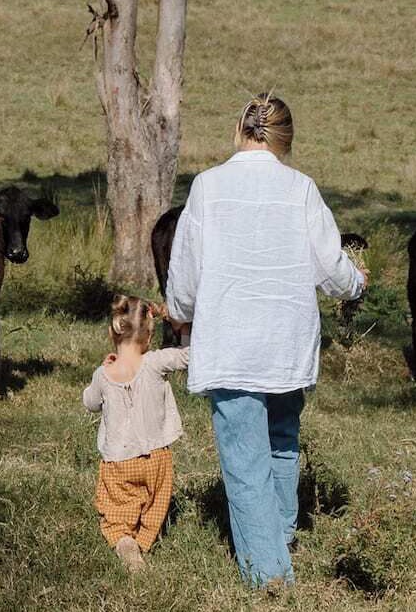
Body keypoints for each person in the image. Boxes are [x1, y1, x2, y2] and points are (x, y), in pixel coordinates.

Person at [165, 92, 367, 586]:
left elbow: (186, 272)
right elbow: (331, 266)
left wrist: (180, 313)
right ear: (286, 140)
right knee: (281, 442)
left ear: (240, 131)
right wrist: (356, 283)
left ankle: (271, 577)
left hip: (231, 342)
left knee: (244, 459)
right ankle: (280, 538)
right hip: (286, 343)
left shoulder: (208, 187)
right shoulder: (301, 188)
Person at [82, 295, 190, 572]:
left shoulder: (103, 373)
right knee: (154, 504)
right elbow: (189, 356)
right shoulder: (155, 362)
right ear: (149, 336)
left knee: (118, 507)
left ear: (113, 332)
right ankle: (143, 539)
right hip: (156, 456)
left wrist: (101, 372)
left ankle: (124, 540)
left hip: (119, 460)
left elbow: (90, 403)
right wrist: (183, 326)